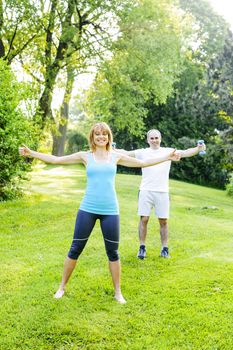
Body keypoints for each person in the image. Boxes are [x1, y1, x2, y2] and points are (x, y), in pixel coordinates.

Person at [19, 122, 179, 304]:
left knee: (113, 252)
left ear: (108, 137)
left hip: (110, 210)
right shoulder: (85, 156)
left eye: (104, 134)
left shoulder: (116, 157)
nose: (101, 137)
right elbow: (56, 159)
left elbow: (143, 162)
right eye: (97, 134)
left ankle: (118, 292)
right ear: (93, 137)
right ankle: (61, 287)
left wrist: (167, 157)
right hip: (87, 208)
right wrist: (31, 153)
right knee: (75, 249)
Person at [116, 129, 206, 260]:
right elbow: (125, 153)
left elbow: (186, 152)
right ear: (148, 140)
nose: (154, 140)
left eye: (156, 138)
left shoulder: (168, 151)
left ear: (160, 138)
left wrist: (198, 148)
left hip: (162, 191)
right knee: (144, 219)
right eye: (151, 138)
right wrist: (110, 148)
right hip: (146, 190)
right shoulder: (142, 152)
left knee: (163, 221)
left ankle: (164, 248)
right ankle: (142, 247)